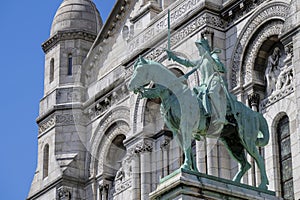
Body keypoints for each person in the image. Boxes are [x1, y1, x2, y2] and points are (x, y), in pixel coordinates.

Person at [165, 38, 228, 136]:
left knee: (212, 93)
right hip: (204, 85)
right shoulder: (200, 60)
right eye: (198, 48)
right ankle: (198, 125)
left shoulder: (212, 55)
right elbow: (186, 62)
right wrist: (174, 57)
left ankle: (221, 117)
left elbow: (220, 68)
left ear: (204, 47)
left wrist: (210, 58)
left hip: (214, 79)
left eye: (199, 47)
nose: (199, 50)